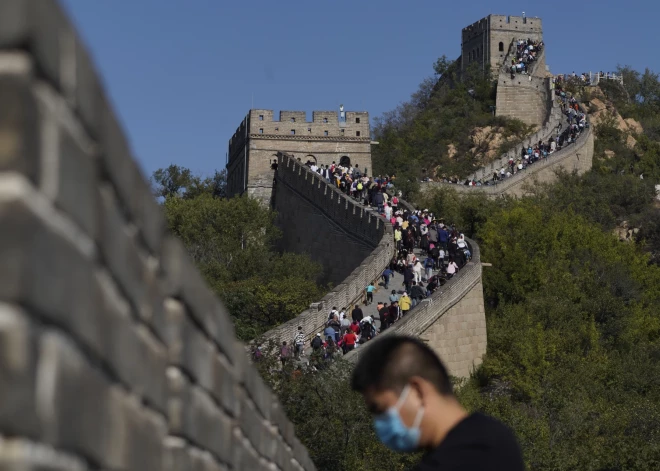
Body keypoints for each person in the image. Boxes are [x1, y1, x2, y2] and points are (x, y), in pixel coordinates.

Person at [350, 335, 524, 470]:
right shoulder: (494, 432)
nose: (379, 423)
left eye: (380, 409)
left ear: (417, 392)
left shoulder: (464, 459)